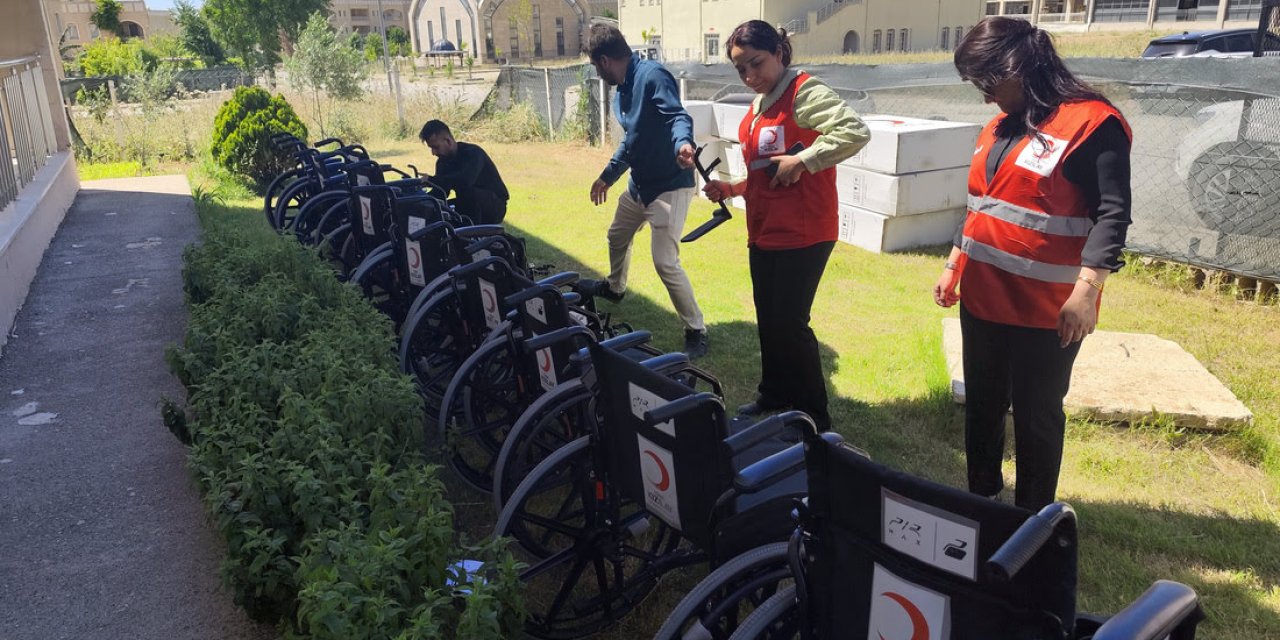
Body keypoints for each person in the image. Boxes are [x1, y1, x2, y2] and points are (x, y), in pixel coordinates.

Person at [933, 17, 1133, 511]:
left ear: (1017, 67)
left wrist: (1086, 292)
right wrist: (954, 263)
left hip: (1047, 311)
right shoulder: (1000, 125)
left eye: (986, 82)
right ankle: (980, 497)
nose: (984, 97)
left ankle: (1033, 518)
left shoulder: (1091, 124)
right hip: (983, 299)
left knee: (1036, 415)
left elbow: (1112, 213)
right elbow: (982, 204)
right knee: (981, 404)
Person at [702, 21, 870, 432]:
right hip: (764, 230)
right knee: (769, 318)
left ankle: (815, 416)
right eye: (740, 70)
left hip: (804, 232)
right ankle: (774, 392)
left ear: (779, 52)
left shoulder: (804, 92)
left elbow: (854, 131)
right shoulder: (759, 104)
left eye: (756, 64)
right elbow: (766, 172)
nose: (749, 76)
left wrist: (805, 160)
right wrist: (732, 187)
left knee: (791, 324)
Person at [580, 22, 709, 359]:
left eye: (595, 66)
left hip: (670, 188)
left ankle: (696, 328)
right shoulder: (622, 89)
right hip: (639, 186)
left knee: (665, 261)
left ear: (605, 60)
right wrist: (607, 176)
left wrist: (683, 145)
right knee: (617, 235)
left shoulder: (653, 77)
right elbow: (631, 142)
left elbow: (677, 117)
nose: (597, 72)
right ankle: (616, 287)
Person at [418, 120, 510, 225]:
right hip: (468, 203)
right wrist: (421, 200)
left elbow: (465, 180)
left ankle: (471, 233)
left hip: (494, 205)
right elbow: (442, 191)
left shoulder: (473, 153)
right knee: (438, 208)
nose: (433, 153)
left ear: (448, 141)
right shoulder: (442, 162)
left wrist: (431, 180)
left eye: (436, 147)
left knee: (468, 194)